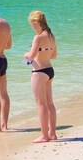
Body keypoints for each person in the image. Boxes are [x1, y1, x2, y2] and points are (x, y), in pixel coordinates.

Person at [24, 11, 58, 143]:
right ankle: (52, 133)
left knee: (41, 104)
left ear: (37, 23)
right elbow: (54, 55)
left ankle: (44, 135)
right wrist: (42, 53)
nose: (32, 27)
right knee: (50, 103)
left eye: (32, 25)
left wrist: (27, 54)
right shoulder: (51, 36)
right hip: (49, 70)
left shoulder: (38, 38)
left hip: (39, 72)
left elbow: (31, 56)